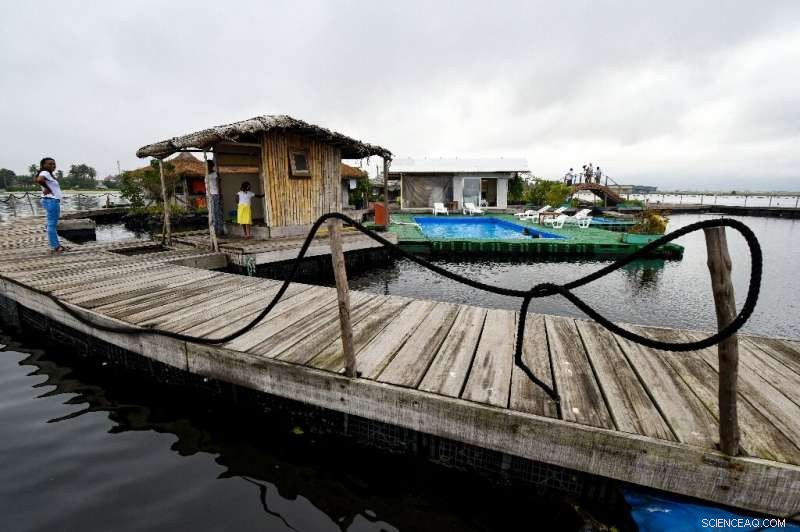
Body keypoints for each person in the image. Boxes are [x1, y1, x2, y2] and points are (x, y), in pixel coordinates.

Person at [34, 157, 66, 253]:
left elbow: (37, 179)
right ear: (44, 165)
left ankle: (56, 245)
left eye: (54, 164)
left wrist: (47, 188)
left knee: (50, 224)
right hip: (51, 201)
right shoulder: (45, 173)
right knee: (52, 225)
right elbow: (39, 180)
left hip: (50, 200)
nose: (53, 165)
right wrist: (47, 188)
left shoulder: (47, 174)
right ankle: (56, 247)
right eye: (50, 164)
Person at [206, 160, 224, 236]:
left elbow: (219, 184)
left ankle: (219, 230)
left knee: (216, 213)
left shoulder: (215, 174)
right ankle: (214, 230)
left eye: (208, 165)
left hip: (215, 194)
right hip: (209, 195)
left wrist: (220, 194)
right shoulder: (206, 174)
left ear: (211, 166)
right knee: (211, 213)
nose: (206, 166)